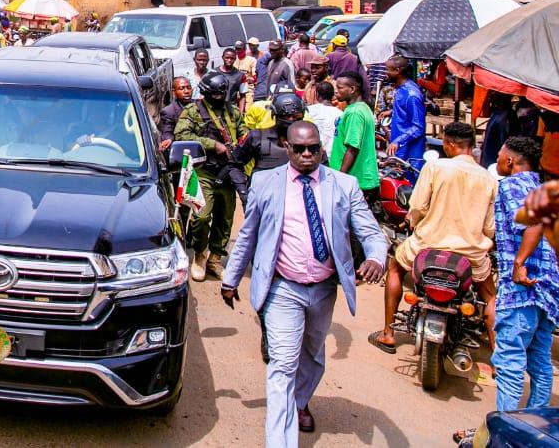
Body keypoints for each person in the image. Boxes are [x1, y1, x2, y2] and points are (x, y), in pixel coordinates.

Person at [222, 121, 387, 447]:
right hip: (282, 287)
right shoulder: (265, 182)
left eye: (314, 148)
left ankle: (299, 402)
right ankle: (280, 441)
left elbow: (371, 233)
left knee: (312, 358)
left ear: (322, 148)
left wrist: (375, 258)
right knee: (282, 365)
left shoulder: (344, 185)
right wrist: (230, 279)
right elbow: (248, 234)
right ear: (287, 147)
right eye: (300, 149)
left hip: (324, 290)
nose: (308, 154)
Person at [372, 122, 498, 354]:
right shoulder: (488, 179)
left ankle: (388, 333)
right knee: (490, 296)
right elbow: (490, 227)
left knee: (395, 269)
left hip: (427, 245)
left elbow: (417, 206)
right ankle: (497, 353)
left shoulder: (436, 167)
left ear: (449, 144)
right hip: (471, 253)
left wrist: (414, 221)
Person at [491, 136, 557, 411]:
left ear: (510, 161)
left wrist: (519, 262)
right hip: (548, 290)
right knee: (540, 362)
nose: (496, 160)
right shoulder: (542, 188)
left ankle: (503, 429)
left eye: (498, 156)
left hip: (523, 291)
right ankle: (532, 426)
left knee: (509, 363)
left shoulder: (513, 185)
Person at [176, 72, 247, 280]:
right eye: (215, 93)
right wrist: (211, 144)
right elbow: (182, 135)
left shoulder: (232, 112)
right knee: (201, 215)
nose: (219, 97)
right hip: (205, 171)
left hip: (229, 171)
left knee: (225, 218)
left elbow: (243, 133)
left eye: (222, 93)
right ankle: (199, 254)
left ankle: (215, 257)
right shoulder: (193, 111)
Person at [326, 72, 379, 200]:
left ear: (353, 89)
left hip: (355, 178)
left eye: (340, 88)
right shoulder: (361, 108)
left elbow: (352, 148)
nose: (336, 92)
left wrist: (341, 178)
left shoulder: (355, 112)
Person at [384, 55, 426, 166]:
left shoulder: (411, 95)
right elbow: (406, 112)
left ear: (397, 71)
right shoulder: (400, 89)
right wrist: (391, 113)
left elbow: (418, 126)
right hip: (399, 151)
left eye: (387, 69)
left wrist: (398, 141)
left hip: (410, 156)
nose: (385, 73)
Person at [304, 81, 340, 157]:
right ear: (333, 95)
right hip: (333, 156)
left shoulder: (309, 111)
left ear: (317, 95)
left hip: (313, 155)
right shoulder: (340, 114)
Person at [158, 77, 193, 152]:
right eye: (182, 88)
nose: (186, 91)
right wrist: (169, 139)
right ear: (174, 92)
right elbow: (167, 131)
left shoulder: (199, 105)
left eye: (189, 88)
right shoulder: (169, 111)